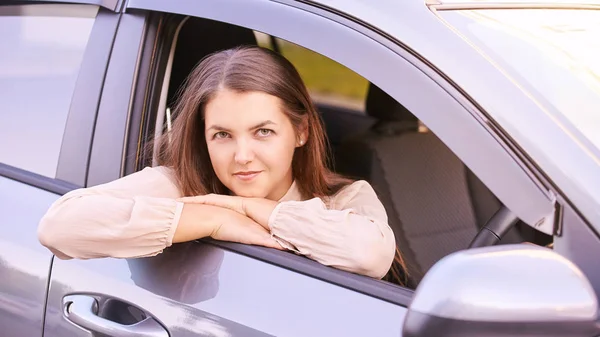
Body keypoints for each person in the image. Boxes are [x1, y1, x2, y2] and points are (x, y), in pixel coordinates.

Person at [37, 46, 408, 285]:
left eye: (263, 131)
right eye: (222, 135)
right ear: (203, 137)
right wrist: (215, 220)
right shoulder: (181, 187)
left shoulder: (344, 198)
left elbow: (371, 255)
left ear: (301, 132)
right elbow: (58, 226)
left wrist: (253, 209)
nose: (242, 155)